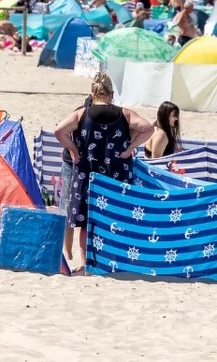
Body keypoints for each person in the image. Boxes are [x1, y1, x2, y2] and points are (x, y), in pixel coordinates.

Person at [55, 74, 155, 264]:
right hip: (116, 172)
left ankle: (86, 264)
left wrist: (74, 150)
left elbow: (59, 131)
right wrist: (131, 147)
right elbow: (148, 128)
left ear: (93, 94)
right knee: (115, 218)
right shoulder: (125, 114)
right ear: (111, 94)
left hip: (87, 173)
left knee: (85, 221)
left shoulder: (81, 113)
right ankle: (112, 260)